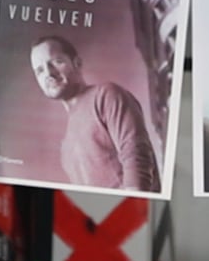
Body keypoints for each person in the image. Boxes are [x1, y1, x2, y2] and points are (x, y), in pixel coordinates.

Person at [29, 33, 161, 194]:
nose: (48, 74)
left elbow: (135, 154)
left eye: (57, 62)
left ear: (77, 63)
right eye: (40, 70)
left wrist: (132, 207)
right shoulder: (66, 147)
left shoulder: (106, 95)